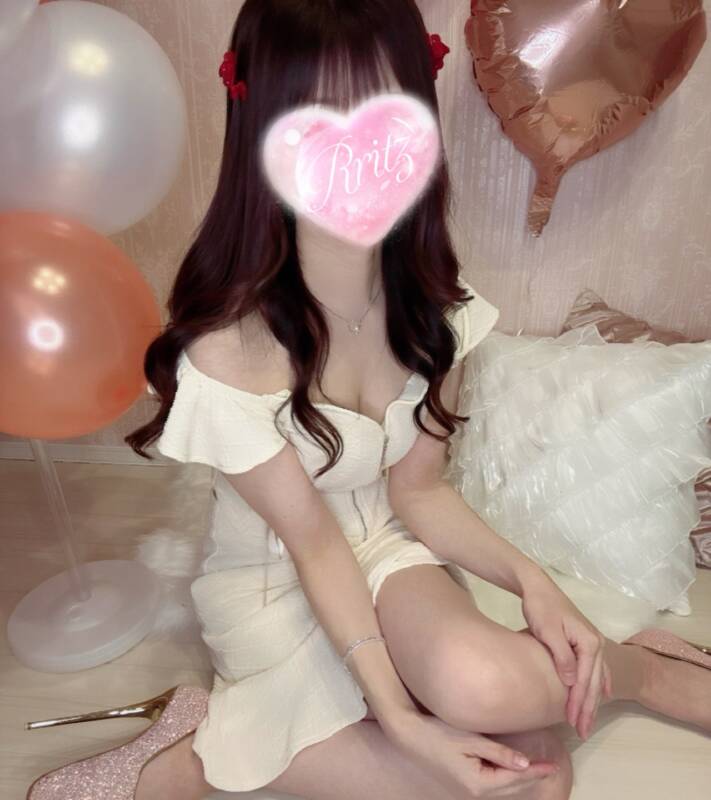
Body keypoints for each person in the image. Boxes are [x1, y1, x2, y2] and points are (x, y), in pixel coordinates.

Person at [26, 2, 711, 800]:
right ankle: (186, 752)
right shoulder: (226, 347)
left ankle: (641, 669)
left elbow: (417, 493)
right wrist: (403, 719)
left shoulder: (435, 313)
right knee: (527, 783)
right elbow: (315, 544)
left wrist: (535, 585)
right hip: (277, 585)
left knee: (511, 723)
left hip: (386, 548)